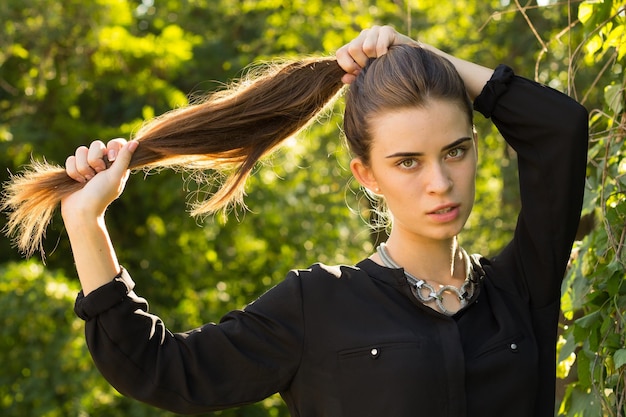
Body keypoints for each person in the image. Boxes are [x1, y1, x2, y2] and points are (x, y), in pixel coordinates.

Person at [59, 26, 588, 417]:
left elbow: (560, 129)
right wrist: (86, 224)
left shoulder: (520, 288)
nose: (440, 183)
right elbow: (161, 369)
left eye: (454, 152)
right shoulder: (316, 306)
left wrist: (422, 54)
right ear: (367, 174)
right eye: (408, 161)